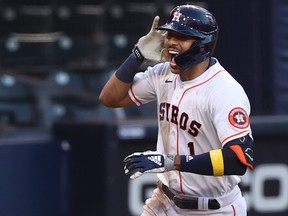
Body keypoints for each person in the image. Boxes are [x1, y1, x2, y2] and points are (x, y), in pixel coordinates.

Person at [99, 4, 254, 216]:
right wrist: (137, 55)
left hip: (215, 208)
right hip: (165, 200)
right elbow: (109, 98)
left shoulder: (224, 91)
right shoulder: (163, 74)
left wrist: (170, 162)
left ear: (202, 45)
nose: (171, 42)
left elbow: (237, 161)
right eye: (169, 34)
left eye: (181, 37)